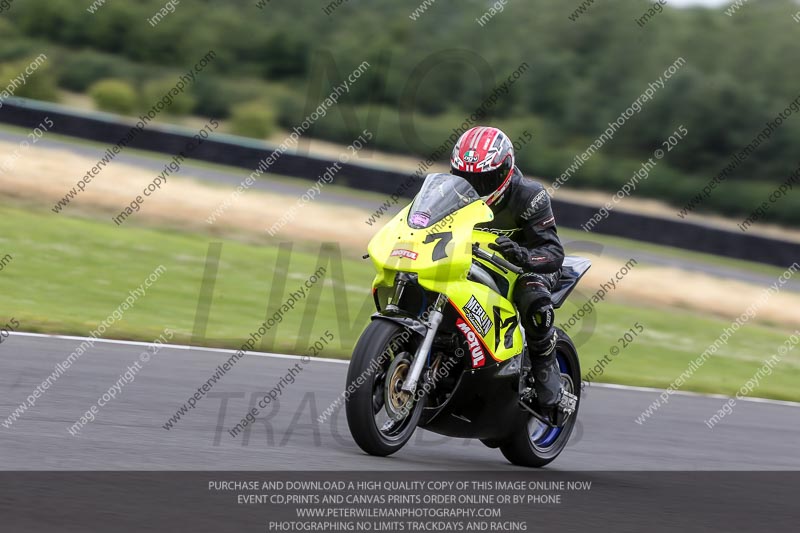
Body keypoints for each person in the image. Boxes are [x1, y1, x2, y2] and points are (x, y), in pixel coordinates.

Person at [450, 126, 574, 425]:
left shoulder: (530, 196)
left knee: (533, 298)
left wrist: (523, 255)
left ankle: (545, 372)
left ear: (505, 170)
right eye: (466, 178)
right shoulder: (449, 193)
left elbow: (554, 252)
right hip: (471, 260)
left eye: (484, 179)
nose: (475, 187)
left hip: (528, 267)